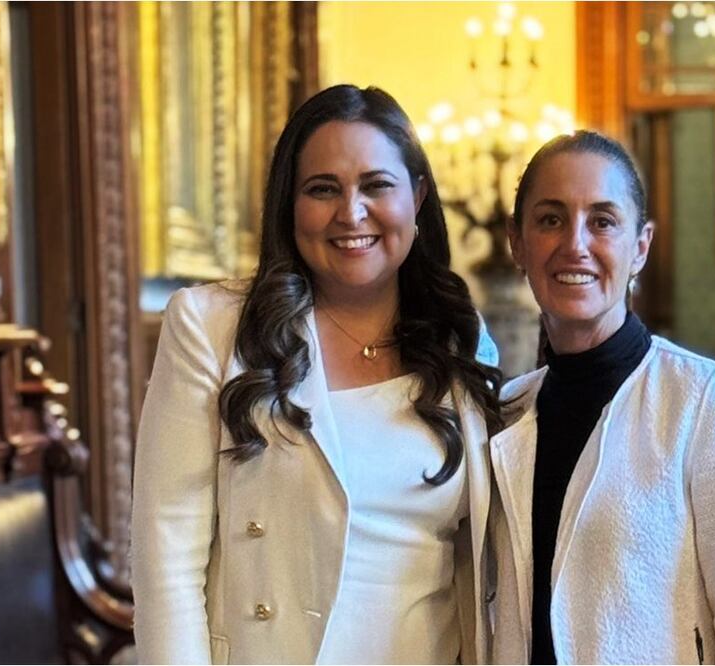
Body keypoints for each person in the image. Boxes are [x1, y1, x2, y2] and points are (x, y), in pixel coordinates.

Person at [131, 84, 503, 665]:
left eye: (377, 185)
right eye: (322, 189)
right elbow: (166, 557)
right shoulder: (211, 328)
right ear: (290, 205)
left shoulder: (460, 336)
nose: (350, 212)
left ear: (418, 196)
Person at [488, 131, 715, 664]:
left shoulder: (701, 401)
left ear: (640, 247)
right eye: (551, 219)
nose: (575, 243)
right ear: (518, 242)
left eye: (602, 221)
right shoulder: (505, 413)